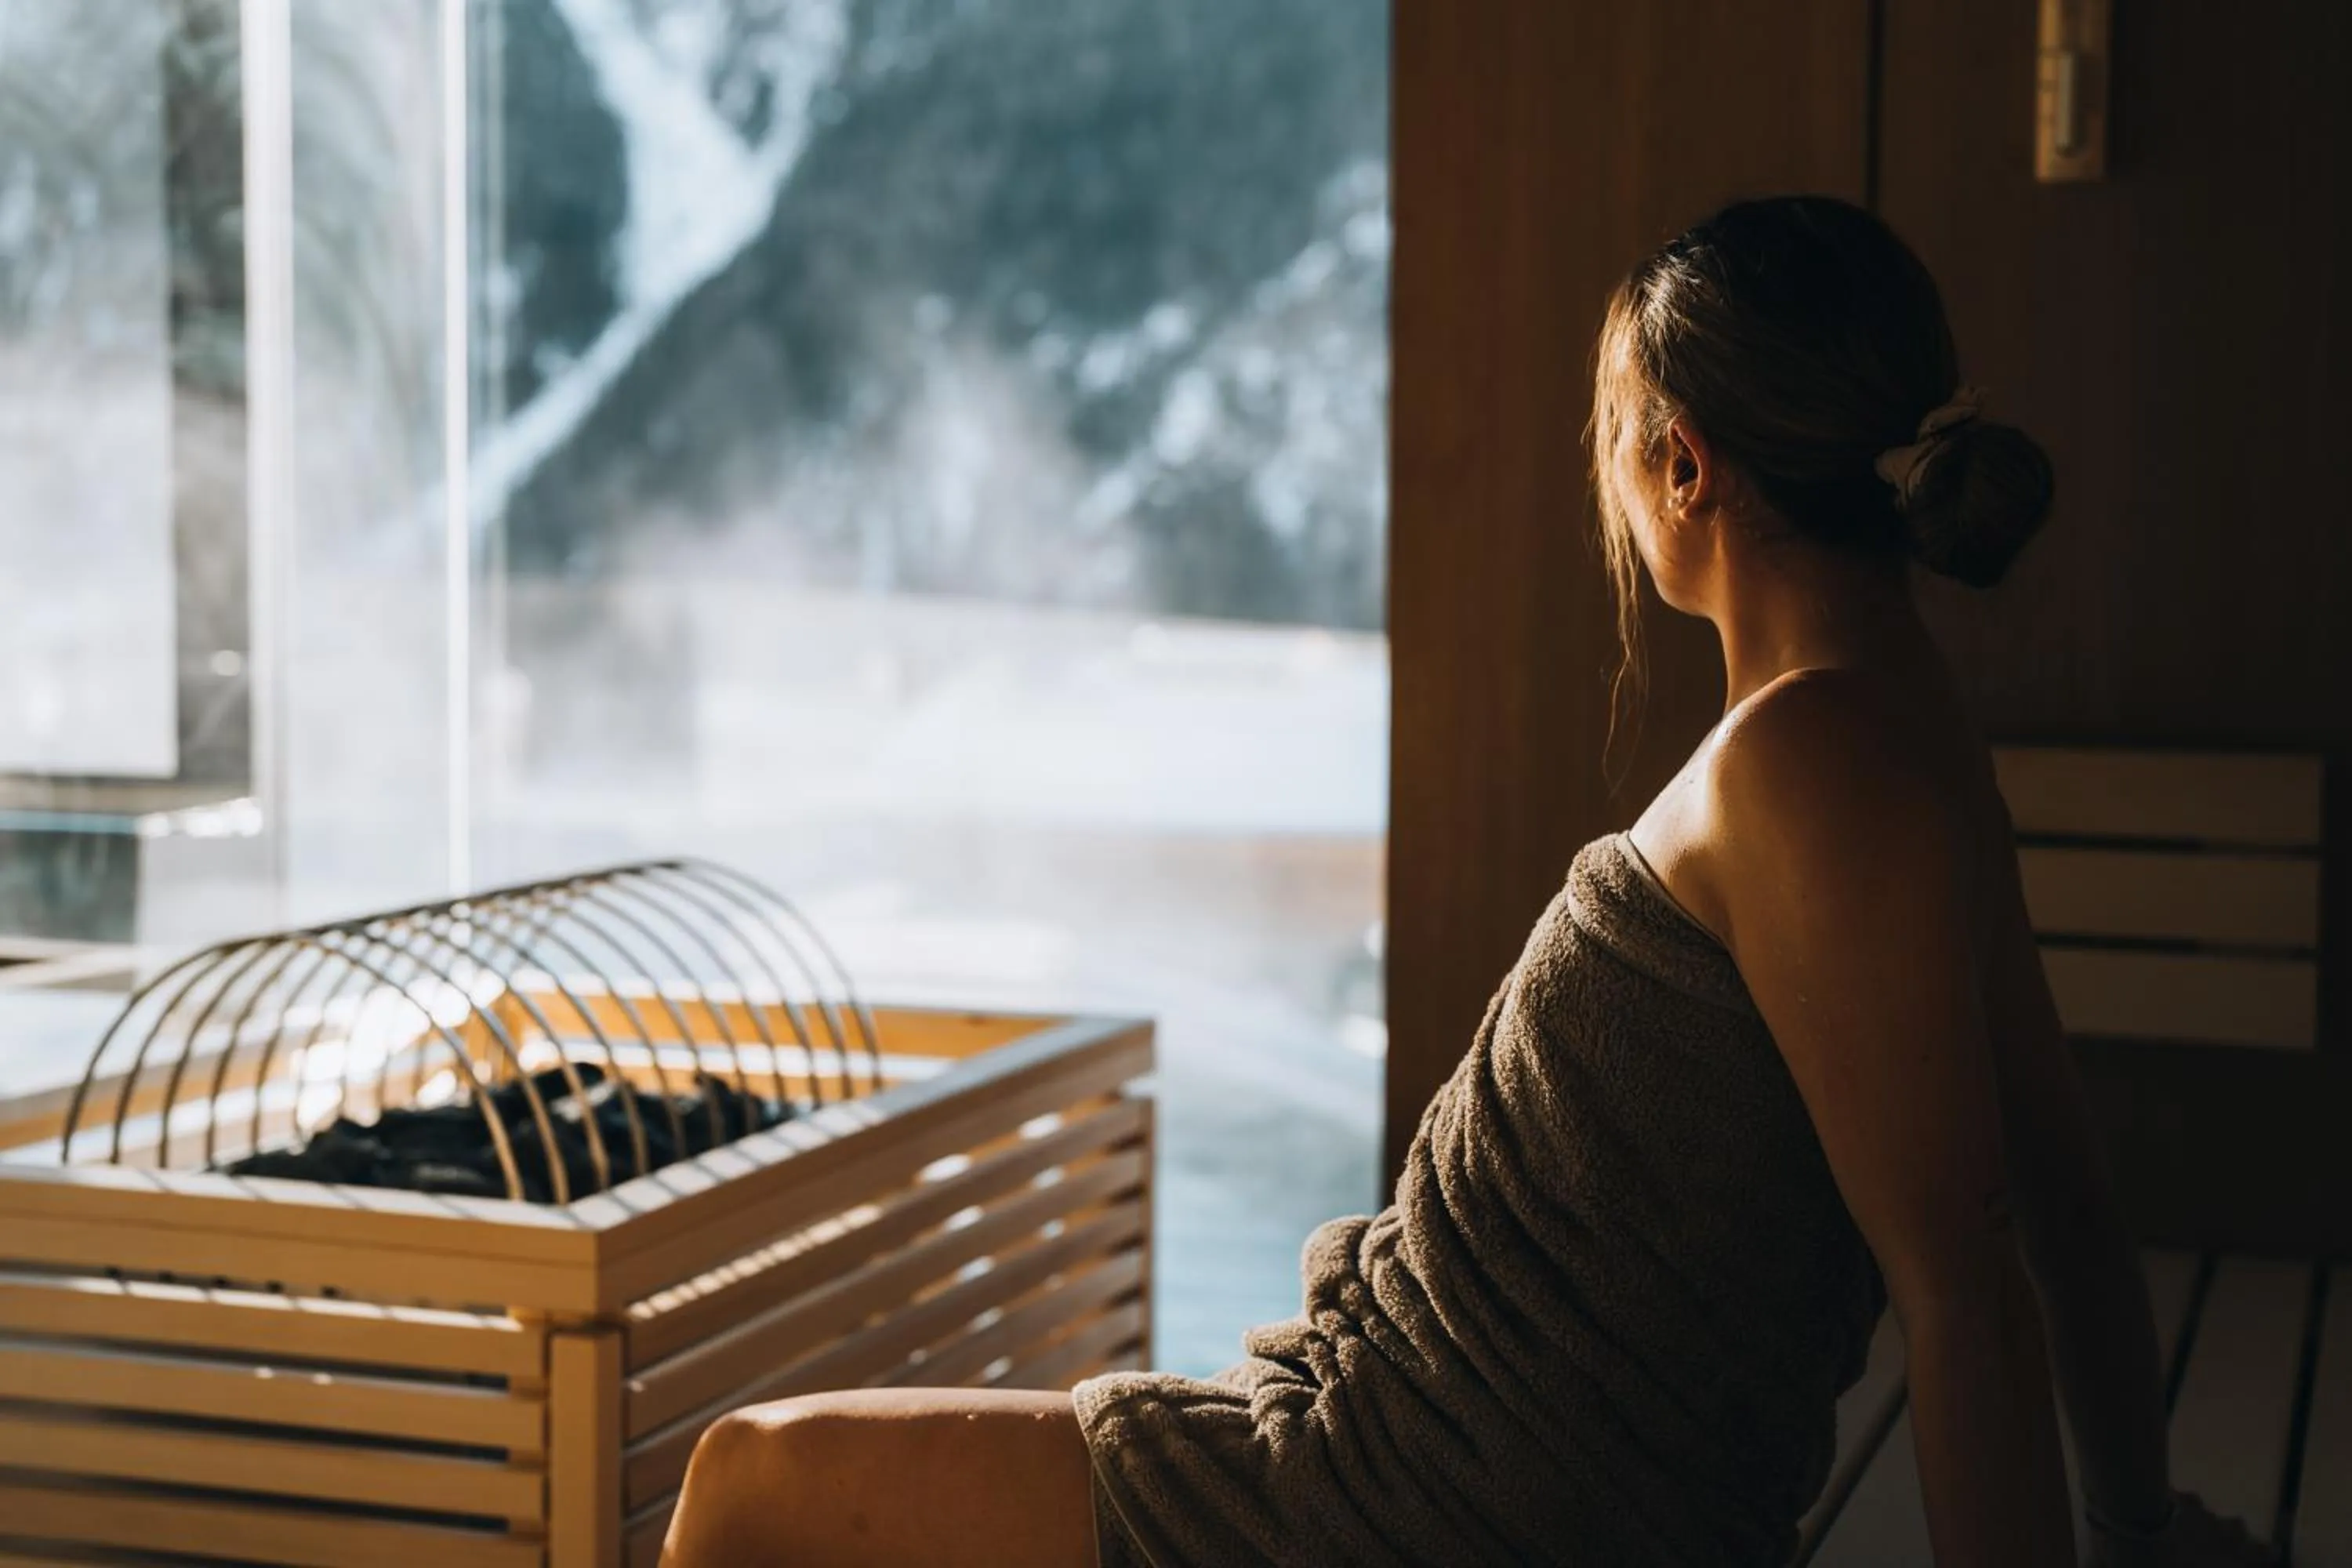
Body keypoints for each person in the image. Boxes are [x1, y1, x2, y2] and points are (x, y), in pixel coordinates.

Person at [660, 196, 2279, 1567]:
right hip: (1422, 1432)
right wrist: (2138, 1518)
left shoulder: (1813, 770)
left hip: (1407, 1500)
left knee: (748, 1483)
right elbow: (2058, 1203)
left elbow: (1967, 1280)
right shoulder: (1901, 735)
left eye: (1616, 427)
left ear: (1686, 465)